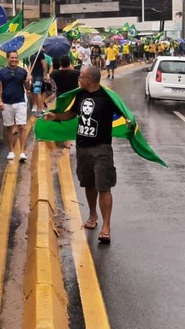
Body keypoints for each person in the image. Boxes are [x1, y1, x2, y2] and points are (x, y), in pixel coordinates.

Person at [42, 66, 129, 244]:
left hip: (102, 148)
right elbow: (71, 114)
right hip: (83, 148)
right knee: (89, 185)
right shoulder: (80, 95)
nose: (78, 80)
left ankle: (106, 226)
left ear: (90, 79)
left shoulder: (108, 97)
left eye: (81, 77)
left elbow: (124, 113)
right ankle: (92, 216)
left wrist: (129, 123)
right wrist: (56, 116)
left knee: (104, 187)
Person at [0, 50, 29, 163]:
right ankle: (11, 150)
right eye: (12, 58)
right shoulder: (2, 72)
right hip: (6, 103)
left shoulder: (23, 71)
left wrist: (29, 80)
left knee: (22, 126)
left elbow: (28, 88)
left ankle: (22, 152)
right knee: (8, 127)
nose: (14, 60)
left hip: (20, 102)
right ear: (7, 59)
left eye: (16, 58)